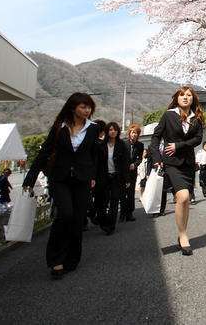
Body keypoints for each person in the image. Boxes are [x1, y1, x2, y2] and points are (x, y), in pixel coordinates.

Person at [22, 93, 100, 279]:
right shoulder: (60, 127)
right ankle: (56, 260)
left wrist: (94, 176)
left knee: (78, 218)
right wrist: (31, 177)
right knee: (65, 214)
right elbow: (46, 151)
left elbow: (95, 154)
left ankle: (72, 258)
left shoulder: (93, 128)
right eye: (83, 106)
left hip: (82, 179)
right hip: (60, 178)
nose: (87, 110)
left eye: (89, 107)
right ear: (73, 108)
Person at [149, 86, 205, 256]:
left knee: (185, 201)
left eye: (189, 95)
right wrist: (157, 159)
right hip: (171, 163)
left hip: (188, 163)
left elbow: (198, 139)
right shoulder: (169, 115)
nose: (185, 97)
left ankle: (182, 233)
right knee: (183, 197)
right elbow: (155, 137)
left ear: (193, 99)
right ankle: (183, 235)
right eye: (182, 95)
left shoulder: (197, 117)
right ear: (177, 98)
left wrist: (179, 145)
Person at [97, 122, 130, 235]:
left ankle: (111, 226)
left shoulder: (122, 145)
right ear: (107, 131)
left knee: (114, 201)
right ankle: (103, 222)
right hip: (103, 177)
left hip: (117, 177)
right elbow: (97, 163)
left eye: (115, 129)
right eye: (110, 129)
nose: (113, 131)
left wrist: (127, 179)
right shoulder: (101, 145)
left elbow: (125, 163)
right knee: (102, 201)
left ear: (118, 131)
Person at [121, 123, 144, 222]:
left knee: (130, 193)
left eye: (136, 133)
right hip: (122, 172)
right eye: (132, 132)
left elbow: (139, 159)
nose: (134, 134)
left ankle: (130, 213)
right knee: (122, 192)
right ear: (129, 133)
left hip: (132, 172)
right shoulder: (123, 143)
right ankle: (122, 213)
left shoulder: (140, 145)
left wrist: (135, 164)